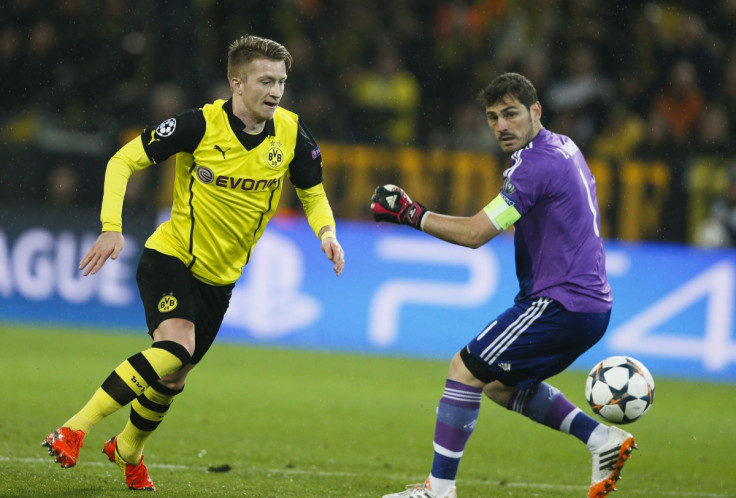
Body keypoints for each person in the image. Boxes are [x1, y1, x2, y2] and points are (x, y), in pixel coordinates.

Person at [42, 34, 345, 491]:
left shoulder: (291, 133)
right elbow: (122, 160)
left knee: (174, 377)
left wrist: (327, 232)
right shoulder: (198, 125)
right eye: (266, 81)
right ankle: (73, 429)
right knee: (177, 348)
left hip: (221, 279)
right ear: (236, 83)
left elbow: (312, 192)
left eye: (281, 81)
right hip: (172, 256)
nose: (276, 91)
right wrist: (111, 225)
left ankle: (127, 449)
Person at [371, 72, 633, 498]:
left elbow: (476, 234)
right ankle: (600, 439)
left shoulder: (535, 164)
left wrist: (411, 214)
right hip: (586, 305)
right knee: (498, 385)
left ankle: (438, 491)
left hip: (562, 302)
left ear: (536, 111)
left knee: (464, 369)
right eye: (493, 118)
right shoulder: (562, 146)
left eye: (511, 114)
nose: (501, 126)